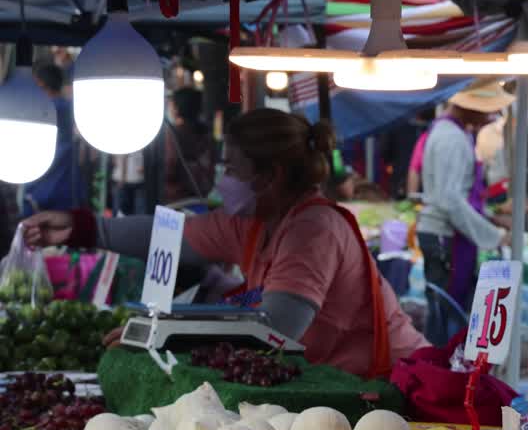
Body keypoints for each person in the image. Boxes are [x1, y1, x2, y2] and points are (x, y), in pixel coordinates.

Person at [24, 109, 427, 378]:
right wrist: (84, 228)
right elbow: (173, 237)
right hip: (336, 379)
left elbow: (273, 329)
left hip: (391, 385)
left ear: (271, 175)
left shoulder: (314, 229)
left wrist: (164, 332)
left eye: (233, 168)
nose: (224, 179)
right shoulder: (255, 223)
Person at [416, 80, 512, 345]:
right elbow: (451, 201)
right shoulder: (452, 139)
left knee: (444, 314)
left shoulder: (449, 133)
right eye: (486, 110)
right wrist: (494, 235)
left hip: (442, 234)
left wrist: (488, 219)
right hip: (443, 237)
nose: (489, 117)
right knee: (445, 317)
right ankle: (438, 374)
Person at [24, 63, 86, 215]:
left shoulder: (41, 110)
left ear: (40, 83)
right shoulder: (71, 108)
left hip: (42, 190)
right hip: (68, 190)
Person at [164, 87, 215, 204]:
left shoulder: (172, 134)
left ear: (177, 108)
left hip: (177, 200)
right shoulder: (206, 133)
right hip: (202, 197)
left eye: (171, 105)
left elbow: (168, 167)